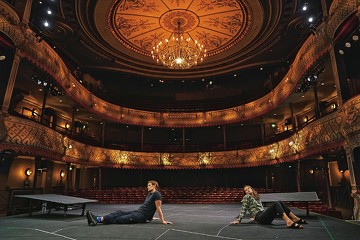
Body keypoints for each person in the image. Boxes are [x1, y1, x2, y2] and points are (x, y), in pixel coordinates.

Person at [86, 180, 172, 226]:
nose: (147, 186)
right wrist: (151, 218)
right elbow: (149, 207)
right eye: (148, 185)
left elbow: (158, 208)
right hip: (138, 212)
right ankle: (97, 219)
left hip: (141, 216)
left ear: (154, 186)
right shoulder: (150, 194)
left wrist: (163, 221)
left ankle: (97, 220)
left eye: (149, 185)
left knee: (121, 219)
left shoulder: (157, 194)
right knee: (118, 212)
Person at [230, 185, 307, 229]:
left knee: (279, 202)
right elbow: (243, 209)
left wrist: (254, 217)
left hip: (263, 216)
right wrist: (239, 220)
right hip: (260, 217)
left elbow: (260, 208)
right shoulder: (246, 197)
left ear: (252, 189)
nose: (247, 190)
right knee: (276, 203)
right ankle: (289, 222)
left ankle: (295, 218)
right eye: (246, 190)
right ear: (245, 193)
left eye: (248, 188)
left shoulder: (257, 197)